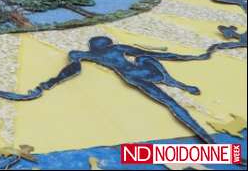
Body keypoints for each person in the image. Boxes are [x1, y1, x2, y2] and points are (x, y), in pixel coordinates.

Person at [39, 36, 214, 144]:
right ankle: (174, 82)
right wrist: (193, 57)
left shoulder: (85, 54)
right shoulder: (117, 48)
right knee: (145, 58)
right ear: (108, 43)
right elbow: (155, 55)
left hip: (130, 77)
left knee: (170, 103)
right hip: (145, 70)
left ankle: (209, 140)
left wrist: (53, 80)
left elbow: (73, 69)